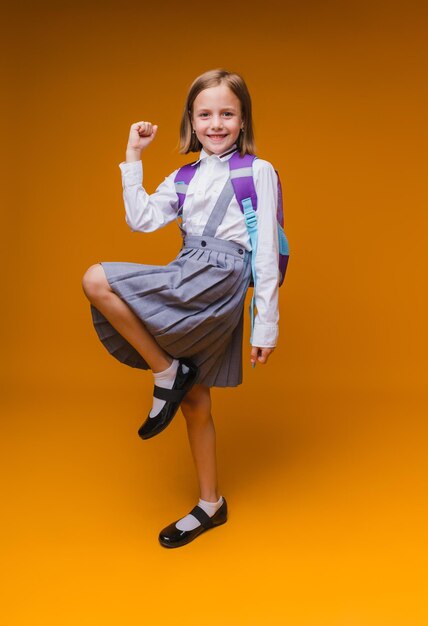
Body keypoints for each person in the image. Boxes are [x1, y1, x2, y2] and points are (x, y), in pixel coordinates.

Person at [81, 68, 281, 548]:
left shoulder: (257, 171)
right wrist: (133, 156)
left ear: (243, 119)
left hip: (219, 278)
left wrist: (266, 325)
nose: (216, 124)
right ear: (191, 121)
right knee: (195, 401)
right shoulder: (185, 176)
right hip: (189, 270)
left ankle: (166, 372)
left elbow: (267, 249)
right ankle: (211, 504)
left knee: (96, 277)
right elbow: (141, 219)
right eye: (205, 114)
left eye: (227, 114)